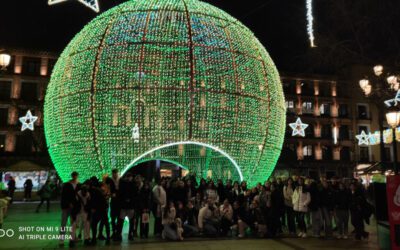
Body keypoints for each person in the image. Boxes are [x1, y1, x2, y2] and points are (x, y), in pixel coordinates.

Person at [59, 171, 80, 248]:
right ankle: (61, 239)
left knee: (73, 223)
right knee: (63, 223)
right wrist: (68, 203)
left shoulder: (79, 184)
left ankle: (73, 237)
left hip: (74, 207)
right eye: (74, 176)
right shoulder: (67, 185)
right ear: (72, 176)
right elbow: (64, 196)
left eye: (76, 176)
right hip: (66, 207)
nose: (75, 177)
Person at [116, 173, 137, 242]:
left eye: (130, 177)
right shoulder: (124, 184)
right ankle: (120, 234)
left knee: (127, 221)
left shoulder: (131, 184)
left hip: (128, 206)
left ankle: (128, 234)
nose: (129, 178)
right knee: (121, 221)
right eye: (128, 177)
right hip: (125, 206)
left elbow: (134, 195)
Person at [109, 169, 120, 239]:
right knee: (113, 218)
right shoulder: (110, 180)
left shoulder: (120, 180)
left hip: (119, 201)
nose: (115, 175)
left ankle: (118, 233)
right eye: (113, 173)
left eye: (115, 173)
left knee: (119, 218)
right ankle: (114, 232)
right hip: (113, 201)